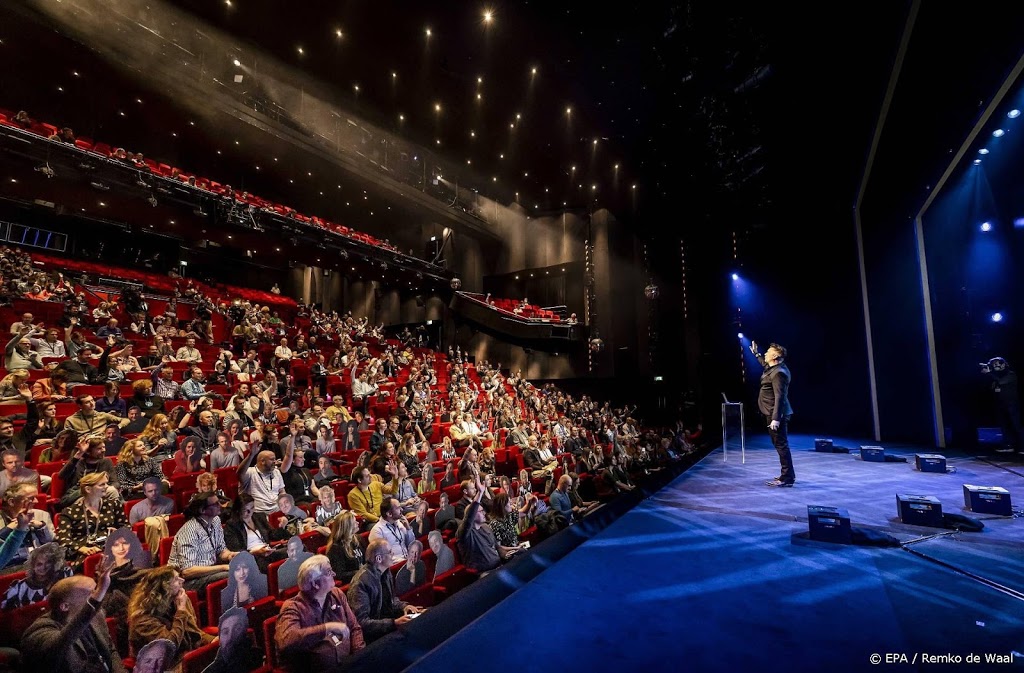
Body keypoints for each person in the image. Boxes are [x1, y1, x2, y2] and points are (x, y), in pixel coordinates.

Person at [20, 557, 125, 673]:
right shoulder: (39, 631)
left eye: (97, 590)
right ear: (65, 606)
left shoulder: (97, 616)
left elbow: (110, 650)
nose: (98, 597)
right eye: (92, 593)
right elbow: (63, 641)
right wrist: (96, 598)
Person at [275, 554, 365, 671]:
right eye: (328, 572)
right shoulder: (293, 607)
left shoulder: (336, 594)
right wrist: (326, 628)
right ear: (315, 584)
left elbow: (354, 628)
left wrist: (360, 657)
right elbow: (287, 641)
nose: (334, 574)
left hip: (349, 665)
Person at [127, 565, 214, 666]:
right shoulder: (142, 620)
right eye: (176, 579)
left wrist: (212, 640)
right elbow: (169, 646)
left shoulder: (174, 602)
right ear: (164, 588)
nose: (183, 580)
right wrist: (181, 612)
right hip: (161, 666)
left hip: (184, 657)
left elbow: (193, 633)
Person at [346, 539, 422, 643]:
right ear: (379, 558)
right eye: (390, 552)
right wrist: (393, 623)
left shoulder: (386, 572)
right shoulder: (360, 583)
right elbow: (361, 622)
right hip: (375, 637)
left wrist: (404, 606)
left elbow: (392, 599)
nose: (393, 554)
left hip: (389, 625)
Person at [55, 472, 128, 570]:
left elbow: (126, 526)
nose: (107, 487)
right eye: (102, 484)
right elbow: (63, 538)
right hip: (86, 550)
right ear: (88, 489)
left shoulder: (113, 504)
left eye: (106, 483)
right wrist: (81, 548)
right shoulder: (70, 512)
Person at [167, 492, 239, 592]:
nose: (220, 505)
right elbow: (187, 571)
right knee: (232, 574)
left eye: (219, 502)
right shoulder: (190, 531)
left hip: (208, 573)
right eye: (215, 504)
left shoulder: (216, 520)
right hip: (187, 581)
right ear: (202, 510)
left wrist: (230, 555)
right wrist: (223, 567)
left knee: (243, 568)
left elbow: (221, 550)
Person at [750, 340, 795, 487]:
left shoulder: (779, 373)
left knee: (781, 445)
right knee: (780, 444)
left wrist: (776, 418)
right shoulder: (775, 368)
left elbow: (780, 397)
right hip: (771, 412)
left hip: (776, 414)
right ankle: (787, 475)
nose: (765, 353)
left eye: (768, 352)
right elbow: (764, 364)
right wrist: (756, 354)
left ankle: (787, 478)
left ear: (775, 355)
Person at [1, 542, 73, 610]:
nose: (44, 567)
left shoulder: (64, 574)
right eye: (39, 564)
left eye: (48, 562)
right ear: (33, 566)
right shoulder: (19, 588)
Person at [981, 357, 1023, 454]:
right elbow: (993, 387)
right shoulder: (996, 376)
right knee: (1004, 426)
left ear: (1003, 364)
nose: (995, 366)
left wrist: (989, 373)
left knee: (1016, 425)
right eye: (994, 364)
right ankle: (1008, 445)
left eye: (997, 364)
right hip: (1001, 404)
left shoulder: (1011, 374)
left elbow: (1001, 382)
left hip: (1012, 404)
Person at [325, 512, 363, 583]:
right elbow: (339, 574)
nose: (358, 523)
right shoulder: (336, 549)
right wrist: (358, 573)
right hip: (352, 583)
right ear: (348, 527)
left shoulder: (357, 539)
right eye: (355, 522)